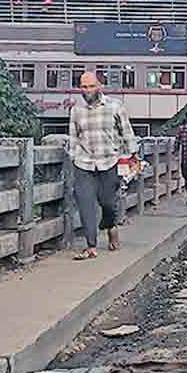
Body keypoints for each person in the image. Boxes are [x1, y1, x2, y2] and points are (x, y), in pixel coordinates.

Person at [67, 71, 137, 260]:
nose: (87, 90)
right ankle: (90, 245)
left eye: (90, 86)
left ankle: (111, 226)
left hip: (108, 161)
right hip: (84, 163)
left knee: (108, 202)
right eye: (83, 86)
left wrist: (133, 156)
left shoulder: (115, 106)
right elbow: (73, 138)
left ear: (100, 86)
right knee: (85, 203)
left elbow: (126, 132)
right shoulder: (76, 110)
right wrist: (73, 158)